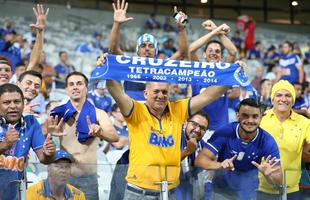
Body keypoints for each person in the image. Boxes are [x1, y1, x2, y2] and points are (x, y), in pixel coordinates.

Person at [195, 98, 282, 200]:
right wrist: (220, 165)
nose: (250, 121)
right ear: (237, 116)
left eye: (255, 117)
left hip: (248, 194)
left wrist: (269, 176)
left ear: (261, 118)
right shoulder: (224, 132)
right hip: (220, 191)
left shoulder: (267, 141)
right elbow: (200, 160)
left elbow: (278, 179)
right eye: (245, 116)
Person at [50, 71, 119, 200]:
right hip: (64, 176)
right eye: (71, 84)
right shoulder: (58, 112)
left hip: (89, 179)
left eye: (79, 84)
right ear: (66, 89)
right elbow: (43, 130)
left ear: (86, 88)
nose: (75, 87)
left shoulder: (99, 113)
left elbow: (114, 137)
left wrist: (100, 133)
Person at [109, 0, 188, 101]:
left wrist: (182, 29)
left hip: (155, 115)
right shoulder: (128, 64)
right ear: (137, 51)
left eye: (151, 46)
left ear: (156, 51)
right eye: (143, 46)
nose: (147, 48)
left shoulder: (162, 66)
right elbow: (113, 49)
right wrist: (116, 24)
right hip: (131, 114)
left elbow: (182, 53)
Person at [0, 83, 56, 200]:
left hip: (12, 194)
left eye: (17, 102)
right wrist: (4, 145)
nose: (13, 106)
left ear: (23, 103)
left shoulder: (31, 123)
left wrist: (49, 152)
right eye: (6, 102)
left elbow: (44, 159)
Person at [257, 80, 310, 200]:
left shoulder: (304, 122)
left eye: (288, 95)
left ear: (293, 99)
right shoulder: (260, 119)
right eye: (279, 95)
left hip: (291, 190)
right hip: (261, 188)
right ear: (272, 98)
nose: (283, 99)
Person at [188, 19, 237, 135]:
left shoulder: (224, 72)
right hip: (197, 129)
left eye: (217, 51)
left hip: (220, 130)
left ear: (220, 56)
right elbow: (191, 49)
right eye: (210, 50)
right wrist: (214, 32)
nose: (214, 53)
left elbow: (233, 52)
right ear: (204, 55)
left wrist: (217, 30)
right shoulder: (197, 71)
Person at [175, 111, 210, 200]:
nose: (197, 130)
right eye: (194, 124)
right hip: (170, 192)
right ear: (185, 123)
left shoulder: (203, 147)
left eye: (202, 128)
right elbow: (166, 164)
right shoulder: (173, 138)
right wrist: (187, 151)